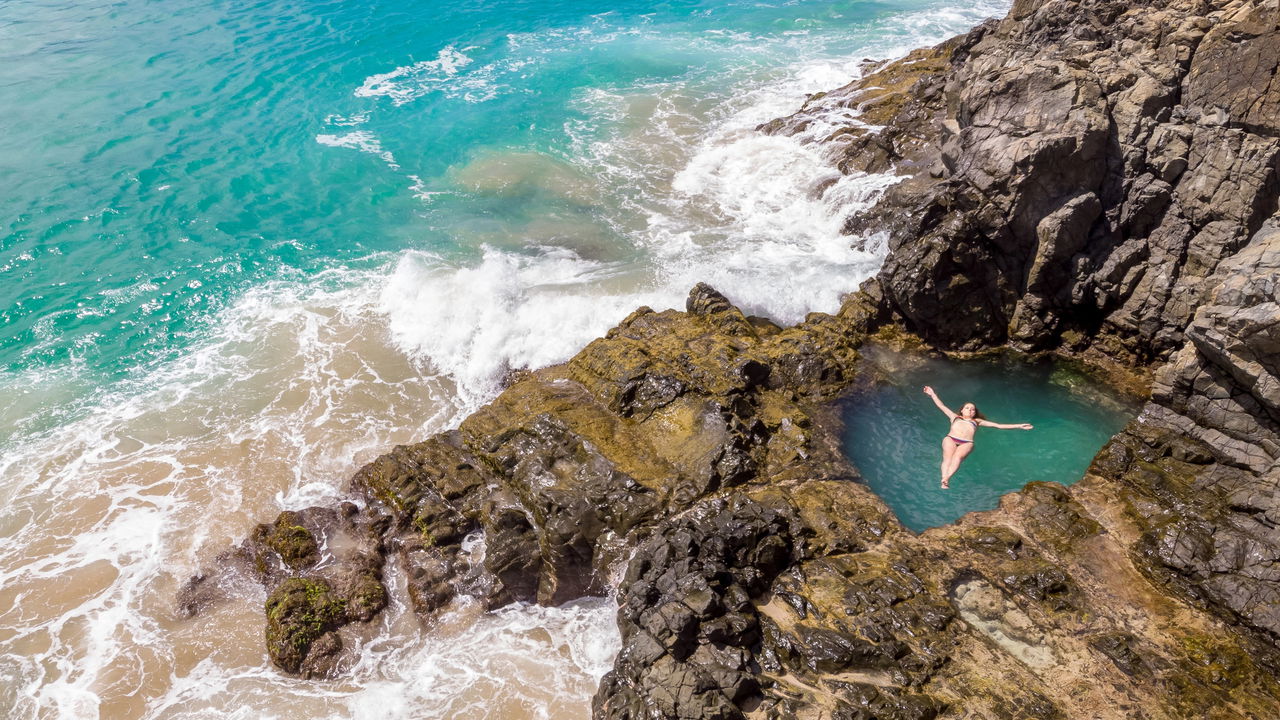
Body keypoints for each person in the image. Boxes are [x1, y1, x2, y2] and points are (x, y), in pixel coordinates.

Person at [922, 385, 1033, 489]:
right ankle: (943, 478)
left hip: (966, 442)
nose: (970, 410)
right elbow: (941, 405)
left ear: (974, 413)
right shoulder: (955, 417)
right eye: (967, 408)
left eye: (972, 409)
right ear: (962, 410)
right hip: (951, 438)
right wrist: (932, 394)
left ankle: (947, 478)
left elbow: (998, 426)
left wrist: (1019, 426)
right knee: (947, 458)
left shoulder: (977, 421)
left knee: (957, 458)